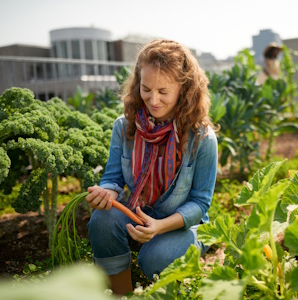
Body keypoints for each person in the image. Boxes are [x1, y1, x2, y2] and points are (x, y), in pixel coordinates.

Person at [85, 39, 218, 295]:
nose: (153, 100)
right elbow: (112, 179)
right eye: (146, 89)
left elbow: (200, 204)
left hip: (180, 226)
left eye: (163, 92)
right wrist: (107, 193)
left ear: (184, 88)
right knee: (102, 220)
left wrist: (160, 226)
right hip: (138, 214)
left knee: (154, 259)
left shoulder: (201, 137)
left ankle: (174, 263)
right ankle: (120, 292)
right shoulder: (125, 126)